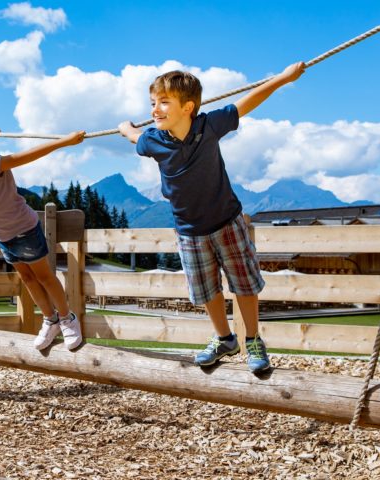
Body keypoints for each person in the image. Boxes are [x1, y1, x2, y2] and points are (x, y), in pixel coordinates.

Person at [118, 62, 306, 372]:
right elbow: (133, 136)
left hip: (226, 222)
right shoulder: (153, 140)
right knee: (206, 289)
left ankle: (254, 339)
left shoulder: (209, 126)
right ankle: (224, 338)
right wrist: (125, 127)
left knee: (243, 284)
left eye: (164, 102)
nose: (155, 109)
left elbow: (246, 102)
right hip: (189, 231)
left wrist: (283, 78)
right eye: (153, 103)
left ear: (188, 107)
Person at [0, 122, 86, 350]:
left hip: (24, 230)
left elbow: (29, 155)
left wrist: (66, 141)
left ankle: (67, 319)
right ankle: (50, 320)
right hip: (1, 236)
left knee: (44, 277)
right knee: (28, 279)